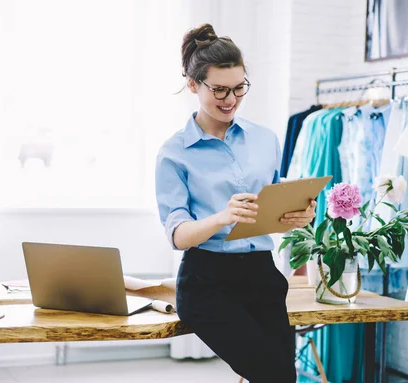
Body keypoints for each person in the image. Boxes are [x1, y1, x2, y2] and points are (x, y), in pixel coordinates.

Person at [155, 24, 316, 382]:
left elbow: (271, 208)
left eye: (239, 88)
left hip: (262, 274)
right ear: (194, 84)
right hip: (207, 282)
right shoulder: (174, 152)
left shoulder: (265, 139)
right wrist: (222, 217)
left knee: (281, 378)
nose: (230, 99)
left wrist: (298, 214)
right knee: (273, 375)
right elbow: (178, 235)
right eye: (220, 90)